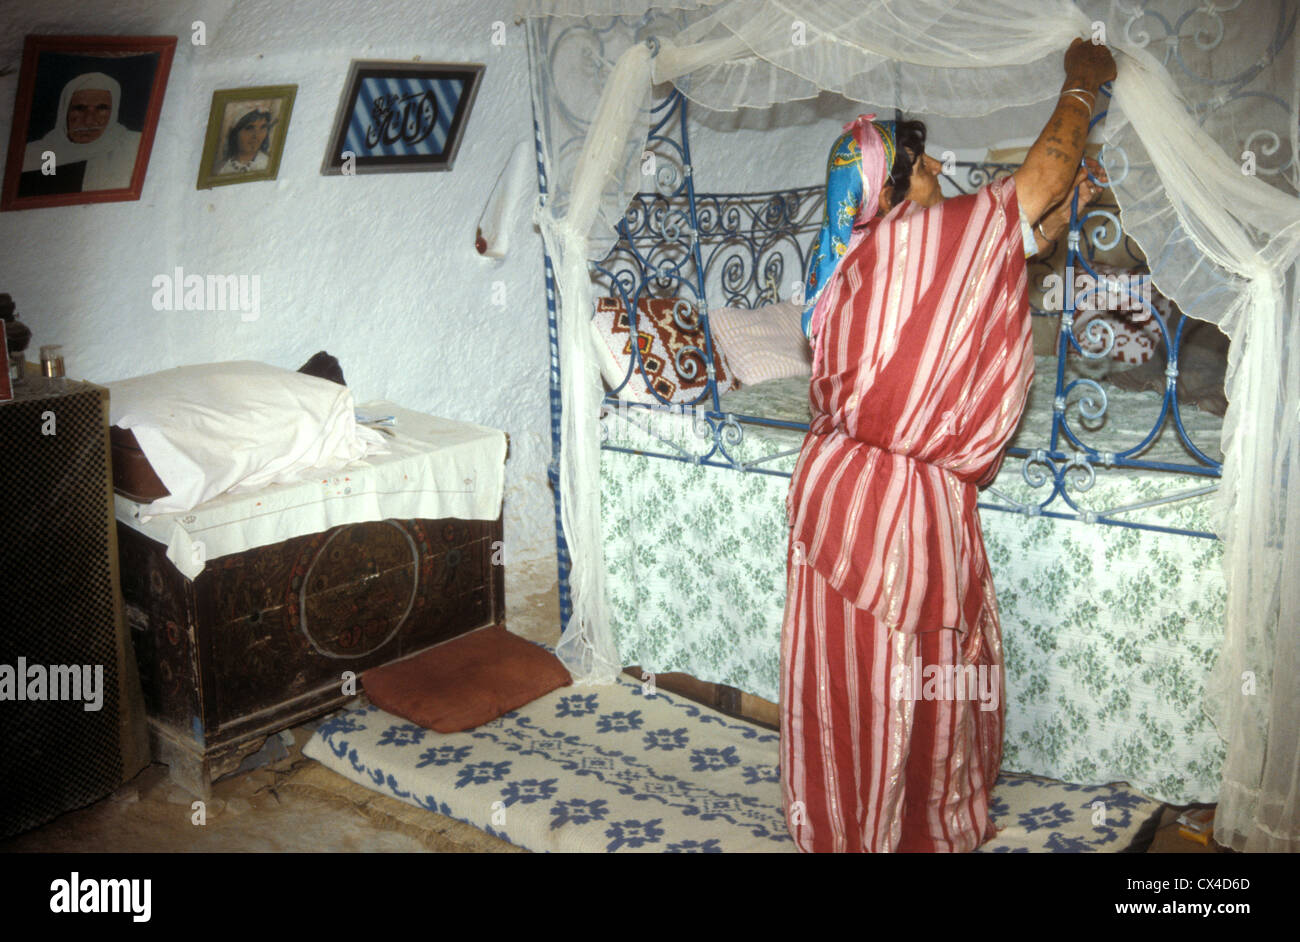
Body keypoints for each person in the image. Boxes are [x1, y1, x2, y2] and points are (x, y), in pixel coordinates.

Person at [781, 37, 1117, 853]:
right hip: (885, 504)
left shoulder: (863, 263)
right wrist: (1082, 83)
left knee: (870, 674)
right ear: (888, 191)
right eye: (925, 171)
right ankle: (875, 828)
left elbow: (1027, 222)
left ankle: (875, 818)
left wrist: (1066, 196)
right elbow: (1027, 191)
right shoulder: (899, 251)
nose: (944, 180)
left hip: (868, 495)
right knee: (881, 676)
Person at [20, 71, 142, 194]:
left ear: (113, 112)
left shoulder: (136, 146)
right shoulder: (34, 153)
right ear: (64, 112)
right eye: (79, 109)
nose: (89, 121)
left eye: (101, 109)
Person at [217, 105, 274, 174]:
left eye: (262, 128)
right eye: (249, 128)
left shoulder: (267, 163)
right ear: (235, 134)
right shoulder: (222, 167)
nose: (256, 135)